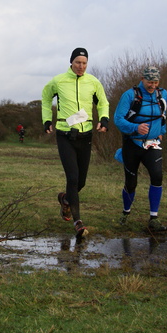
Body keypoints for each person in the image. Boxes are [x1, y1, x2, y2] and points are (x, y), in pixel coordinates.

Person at [42, 47, 109, 238]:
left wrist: (104, 119)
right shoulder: (58, 81)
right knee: (72, 177)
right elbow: (46, 99)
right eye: (78, 62)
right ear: (71, 62)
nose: (81, 66)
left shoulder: (93, 82)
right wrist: (47, 120)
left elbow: (103, 102)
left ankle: (65, 199)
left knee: (81, 181)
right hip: (65, 134)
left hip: (86, 135)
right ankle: (78, 222)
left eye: (84, 63)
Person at [113, 66, 167, 231]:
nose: (152, 85)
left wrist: (162, 132)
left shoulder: (162, 94)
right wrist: (135, 127)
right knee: (131, 183)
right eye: (149, 81)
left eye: (155, 82)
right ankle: (126, 212)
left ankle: (153, 218)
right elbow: (118, 119)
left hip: (152, 144)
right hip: (132, 144)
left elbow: (164, 115)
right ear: (142, 79)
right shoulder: (130, 95)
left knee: (157, 176)